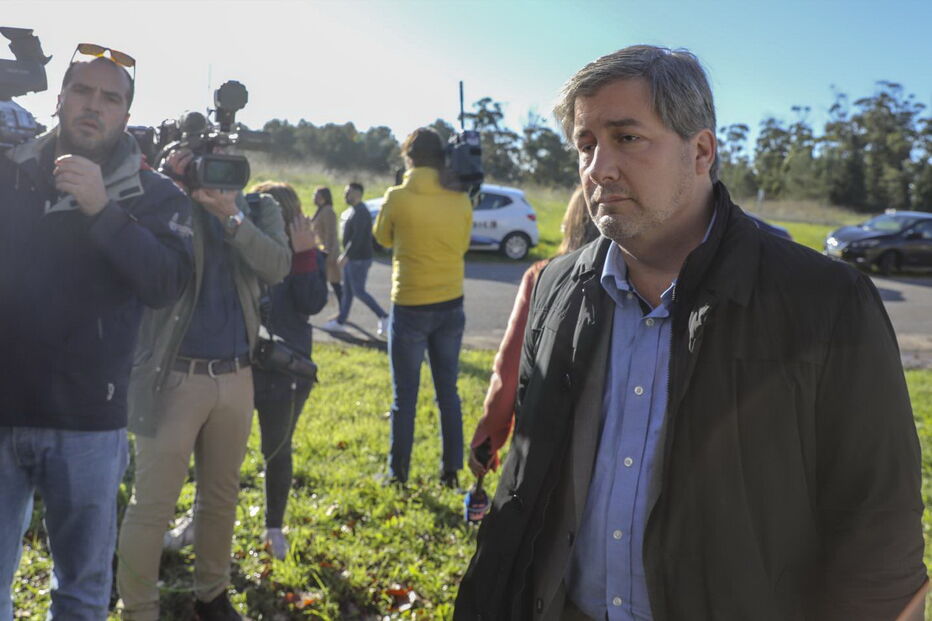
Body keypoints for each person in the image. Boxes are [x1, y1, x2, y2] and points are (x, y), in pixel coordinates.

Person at [455, 45, 926, 620]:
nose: (598, 168)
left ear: (700, 150)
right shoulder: (556, 288)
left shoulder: (827, 302)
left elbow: (878, 530)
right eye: (585, 145)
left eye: (626, 138)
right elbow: (525, 485)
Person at [0, 50, 193, 619]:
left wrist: (103, 210)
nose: (94, 106)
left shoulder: (157, 196)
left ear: (126, 116)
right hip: (1, 410)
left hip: (89, 421)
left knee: (81, 589)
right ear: (58, 100)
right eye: (83, 91)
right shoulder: (12, 173)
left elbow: (165, 283)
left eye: (111, 99)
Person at [117, 148, 291, 619]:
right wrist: (171, 184)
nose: (218, 174)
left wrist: (231, 215)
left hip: (235, 374)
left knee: (221, 496)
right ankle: (139, 609)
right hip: (173, 375)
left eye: (226, 162)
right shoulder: (165, 200)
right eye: (204, 161)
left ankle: (212, 595)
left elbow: (277, 265)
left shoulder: (257, 207)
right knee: (152, 505)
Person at [467, 187, 598, 478]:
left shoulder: (542, 276)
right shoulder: (641, 281)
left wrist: (489, 436)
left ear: (572, 222)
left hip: (544, 434)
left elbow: (511, 366)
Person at [373, 128, 473, 487]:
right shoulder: (460, 198)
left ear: (409, 157)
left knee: (405, 397)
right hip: (450, 303)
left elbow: (381, 238)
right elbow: (462, 245)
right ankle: (451, 473)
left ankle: (397, 474)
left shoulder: (397, 196)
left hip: (410, 304)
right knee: (449, 392)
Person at [248, 181, 328, 560]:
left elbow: (311, 302)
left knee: (276, 450)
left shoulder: (308, 255)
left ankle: (273, 527)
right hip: (240, 366)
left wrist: (304, 255)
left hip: (285, 372)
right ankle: (201, 519)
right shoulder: (249, 247)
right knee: (218, 452)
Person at [322, 182, 388, 335]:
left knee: (358, 291)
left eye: (348, 192)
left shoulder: (361, 212)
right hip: (355, 258)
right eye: (345, 192)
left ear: (358, 194)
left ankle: (384, 316)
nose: (346, 195)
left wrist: (347, 255)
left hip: (359, 259)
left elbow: (358, 237)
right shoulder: (355, 210)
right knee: (348, 291)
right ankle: (340, 321)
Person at [310, 186, 343, 305]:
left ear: (324, 197)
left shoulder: (328, 211)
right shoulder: (321, 210)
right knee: (331, 282)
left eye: (318, 195)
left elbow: (331, 234)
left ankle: (342, 311)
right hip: (322, 251)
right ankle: (341, 310)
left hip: (328, 253)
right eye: (314, 195)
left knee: (335, 283)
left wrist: (328, 253)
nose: (315, 198)